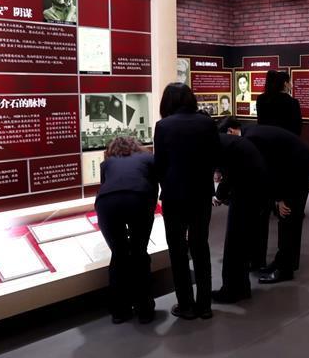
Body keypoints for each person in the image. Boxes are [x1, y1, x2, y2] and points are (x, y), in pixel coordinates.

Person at [154, 82, 220, 320]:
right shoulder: (207, 123)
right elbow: (215, 156)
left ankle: (186, 305)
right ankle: (205, 305)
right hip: (201, 193)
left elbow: (159, 164)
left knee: (178, 250)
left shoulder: (163, 126)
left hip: (174, 195)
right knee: (200, 246)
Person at [226, 119, 309, 284]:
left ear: (231, 131)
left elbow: (272, 167)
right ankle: (284, 262)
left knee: (288, 216)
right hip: (294, 167)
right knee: (288, 218)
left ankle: (285, 270)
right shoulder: (250, 132)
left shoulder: (251, 138)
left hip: (298, 169)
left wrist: (280, 197)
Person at [94, 136, 158, 324]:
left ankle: (119, 311)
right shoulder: (148, 158)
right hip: (139, 199)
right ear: (136, 146)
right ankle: (144, 309)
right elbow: (154, 188)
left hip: (106, 204)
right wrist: (148, 211)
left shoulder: (107, 163)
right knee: (139, 252)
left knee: (119, 254)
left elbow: (104, 186)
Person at [210, 123, 268, 303]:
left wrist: (218, 195)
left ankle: (232, 290)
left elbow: (229, 175)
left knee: (234, 242)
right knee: (240, 242)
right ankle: (241, 288)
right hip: (254, 189)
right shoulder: (227, 141)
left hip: (247, 191)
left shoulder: (217, 144)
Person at [256, 69, 302, 136]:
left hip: (266, 137)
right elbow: (297, 128)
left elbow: (260, 122)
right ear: (285, 84)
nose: (292, 85)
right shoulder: (293, 102)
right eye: (290, 81)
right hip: (286, 139)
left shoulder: (261, 99)